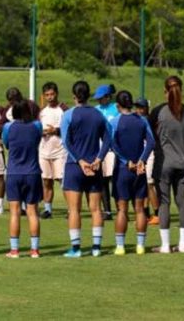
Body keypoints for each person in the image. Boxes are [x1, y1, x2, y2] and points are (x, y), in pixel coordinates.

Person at [60, 81, 111, 258]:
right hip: (95, 167)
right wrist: (98, 159)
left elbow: (66, 142)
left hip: (75, 167)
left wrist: (80, 161)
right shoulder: (98, 115)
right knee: (96, 209)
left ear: (74, 96)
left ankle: (76, 249)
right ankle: (96, 248)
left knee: (74, 209)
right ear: (89, 95)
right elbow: (108, 138)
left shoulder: (68, 115)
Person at [149, 76, 184, 254]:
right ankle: (183, 245)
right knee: (182, 202)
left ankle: (165, 245)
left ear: (165, 91)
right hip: (183, 162)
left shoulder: (159, 111)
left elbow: (150, 135)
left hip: (164, 163)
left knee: (164, 203)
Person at [109, 91, 155, 255]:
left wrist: (126, 161)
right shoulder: (142, 120)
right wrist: (141, 160)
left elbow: (112, 144)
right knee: (140, 209)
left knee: (122, 209)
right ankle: (140, 246)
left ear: (117, 105)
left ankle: (120, 246)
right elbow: (151, 142)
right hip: (139, 170)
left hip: (122, 170)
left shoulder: (114, 122)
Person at [1, 101, 44, 258]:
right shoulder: (37, 126)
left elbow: (6, 144)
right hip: (32, 172)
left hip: (14, 173)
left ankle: (14, 250)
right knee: (33, 212)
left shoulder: (8, 127)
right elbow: (38, 141)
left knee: (15, 212)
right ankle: (34, 250)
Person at [38, 82, 68, 219]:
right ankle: (47, 209)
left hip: (60, 150)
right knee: (46, 180)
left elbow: (70, 129)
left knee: (62, 181)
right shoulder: (42, 112)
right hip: (44, 150)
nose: (50, 97)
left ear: (56, 93)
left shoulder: (64, 109)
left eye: (52, 94)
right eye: (47, 95)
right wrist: (42, 132)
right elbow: (38, 128)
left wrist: (55, 130)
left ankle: (71, 209)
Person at [94, 84, 119, 221]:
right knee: (102, 180)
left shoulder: (116, 108)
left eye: (101, 98)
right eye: (98, 98)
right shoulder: (96, 110)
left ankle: (121, 209)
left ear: (108, 97)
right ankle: (107, 211)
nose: (99, 100)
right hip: (100, 149)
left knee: (115, 180)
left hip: (113, 149)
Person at [134, 98, 160, 226]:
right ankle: (145, 213)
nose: (139, 110)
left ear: (146, 108)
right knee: (143, 185)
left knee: (150, 184)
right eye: (137, 107)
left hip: (149, 154)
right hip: (141, 154)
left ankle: (157, 214)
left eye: (141, 107)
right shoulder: (137, 120)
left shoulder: (148, 120)